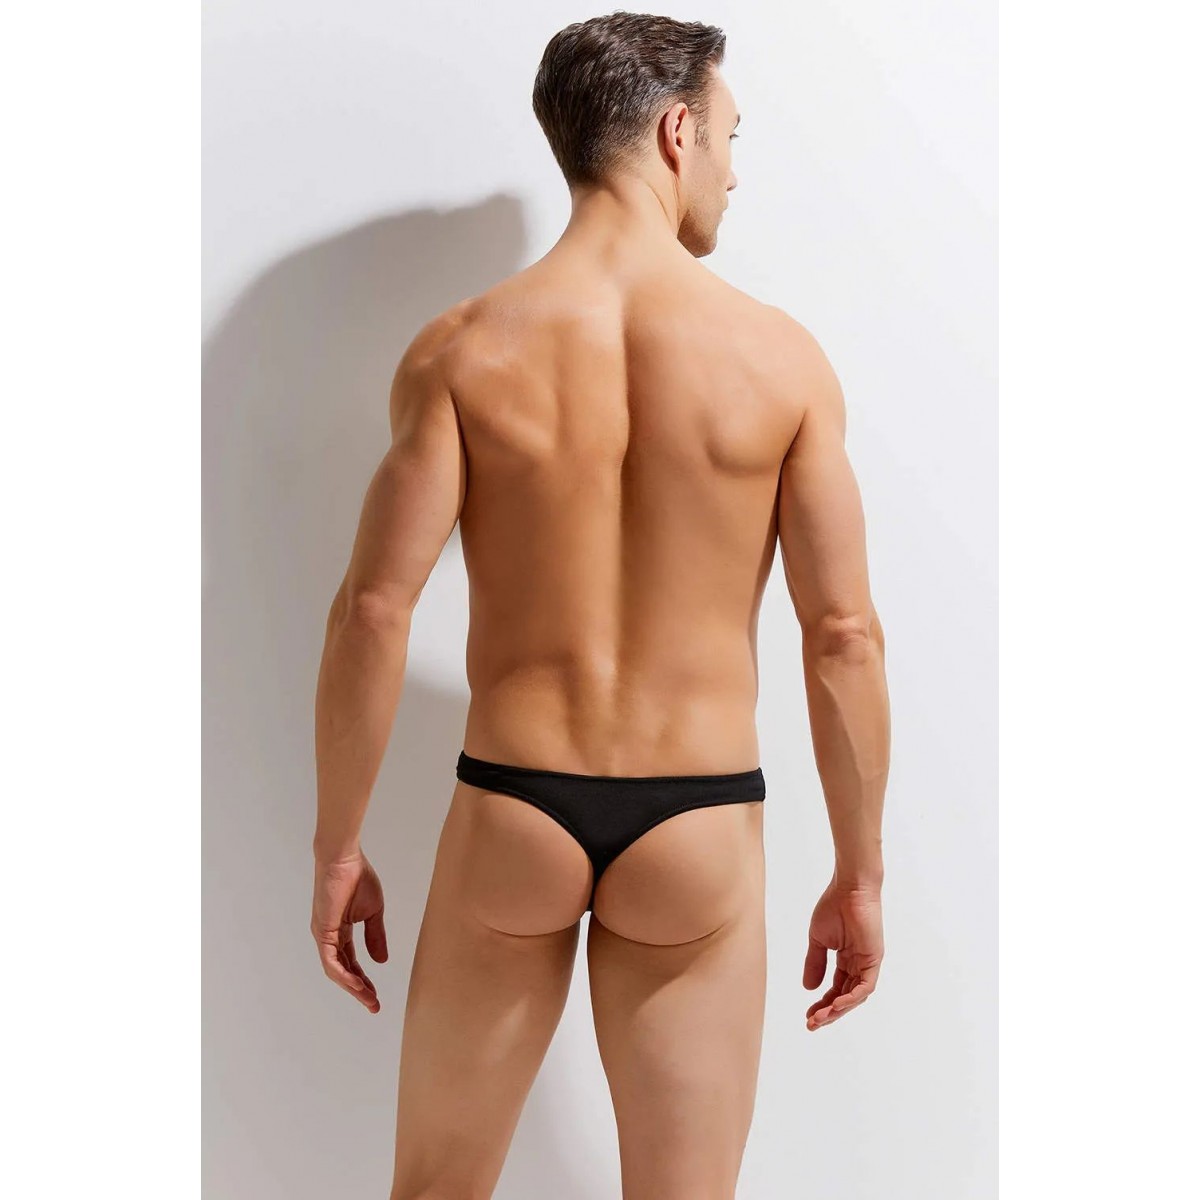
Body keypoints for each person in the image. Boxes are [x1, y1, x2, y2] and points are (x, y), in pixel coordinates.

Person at [310, 12, 891, 1199]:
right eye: (730, 136)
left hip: (513, 803)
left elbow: (373, 609)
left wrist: (339, 845)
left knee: (434, 1189)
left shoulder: (464, 351)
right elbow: (842, 635)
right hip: (699, 819)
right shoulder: (780, 361)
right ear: (677, 132)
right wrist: (859, 871)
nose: (734, 170)